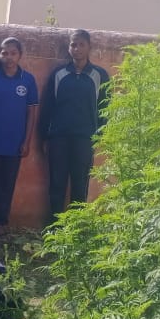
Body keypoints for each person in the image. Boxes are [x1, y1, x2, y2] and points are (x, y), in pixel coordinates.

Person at [40, 29, 110, 224]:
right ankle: (54, 228)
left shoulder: (99, 75)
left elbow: (105, 107)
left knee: (80, 184)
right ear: (69, 48)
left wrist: (100, 134)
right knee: (57, 183)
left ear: (89, 47)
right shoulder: (59, 74)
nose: (77, 48)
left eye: (81, 44)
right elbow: (48, 106)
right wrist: (44, 136)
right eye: (73, 45)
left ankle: (75, 229)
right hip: (58, 138)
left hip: (85, 138)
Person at [0, 37, 38, 237]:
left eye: (13, 53)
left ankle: (1, 222)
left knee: (7, 184)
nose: (9, 57)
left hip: (15, 143)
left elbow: (31, 113)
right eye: (4, 53)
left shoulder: (28, 80)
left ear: (20, 55)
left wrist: (26, 141)